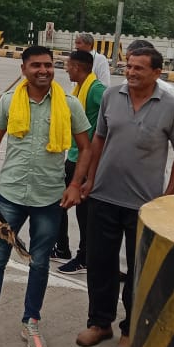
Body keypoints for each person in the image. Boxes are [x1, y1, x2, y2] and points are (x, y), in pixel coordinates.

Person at [0, 46, 90, 347]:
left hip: (49, 198)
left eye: (48, 65)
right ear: (24, 69)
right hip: (10, 196)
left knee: (40, 262)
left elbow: (86, 148)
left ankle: (30, 321)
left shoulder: (69, 104)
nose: (43, 70)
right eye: (36, 65)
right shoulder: (9, 101)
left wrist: (75, 184)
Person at [73, 47, 174, 347]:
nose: (132, 72)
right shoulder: (112, 96)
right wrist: (88, 180)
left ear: (156, 73)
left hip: (145, 206)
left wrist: (169, 194)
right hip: (103, 196)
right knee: (100, 264)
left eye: (140, 68)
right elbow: (98, 141)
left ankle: (130, 329)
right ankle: (100, 323)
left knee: (139, 270)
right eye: (129, 66)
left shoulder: (172, 107)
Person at [53, 49, 106, 275]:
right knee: (59, 202)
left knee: (83, 213)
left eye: (68, 66)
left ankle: (84, 256)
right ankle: (62, 247)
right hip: (73, 156)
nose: (66, 70)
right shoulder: (78, 89)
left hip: (85, 159)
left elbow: (110, 116)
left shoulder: (96, 90)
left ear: (77, 67)